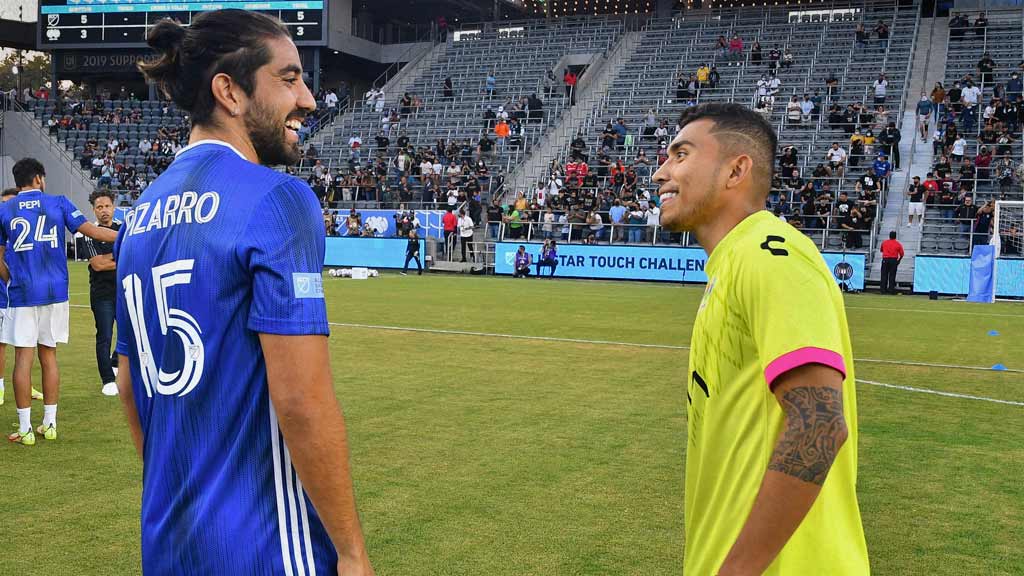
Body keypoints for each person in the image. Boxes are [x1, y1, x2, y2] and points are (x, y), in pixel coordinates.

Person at [120, 12, 373, 574]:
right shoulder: (277, 200)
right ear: (229, 91)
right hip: (265, 548)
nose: (307, 99)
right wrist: (353, 553)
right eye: (288, 79)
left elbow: (129, 383)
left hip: (169, 543)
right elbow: (302, 404)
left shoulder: (139, 217)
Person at [651, 103, 868, 576]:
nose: (660, 171)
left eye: (680, 154)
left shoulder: (771, 254)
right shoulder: (731, 266)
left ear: (736, 170)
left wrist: (737, 570)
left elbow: (819, 423)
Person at [0, 159, 118, 446]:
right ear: (39, 178)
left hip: (23, 292)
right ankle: (50, 424)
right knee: (49, 355)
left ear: (19, 182)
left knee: (23, 359)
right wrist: (135, 237)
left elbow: (0, 257)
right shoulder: (59, 202)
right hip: (55, 292)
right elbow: (95, 231)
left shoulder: (4, 209)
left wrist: (9, 280)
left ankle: (26, 429)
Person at [81, 189, 123, 397]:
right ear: (94, 210)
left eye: (107, 206)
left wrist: (110, 259)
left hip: (124, 292)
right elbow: (98, 265)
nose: (104, 210)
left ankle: (115, 361)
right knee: (105, 336)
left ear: (113, 207)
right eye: (99, 207)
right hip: (102, 294)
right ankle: (107, 379)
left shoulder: (124, 230)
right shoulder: (88, 234)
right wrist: (119, 259)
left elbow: (133, 256)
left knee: (129, 333)